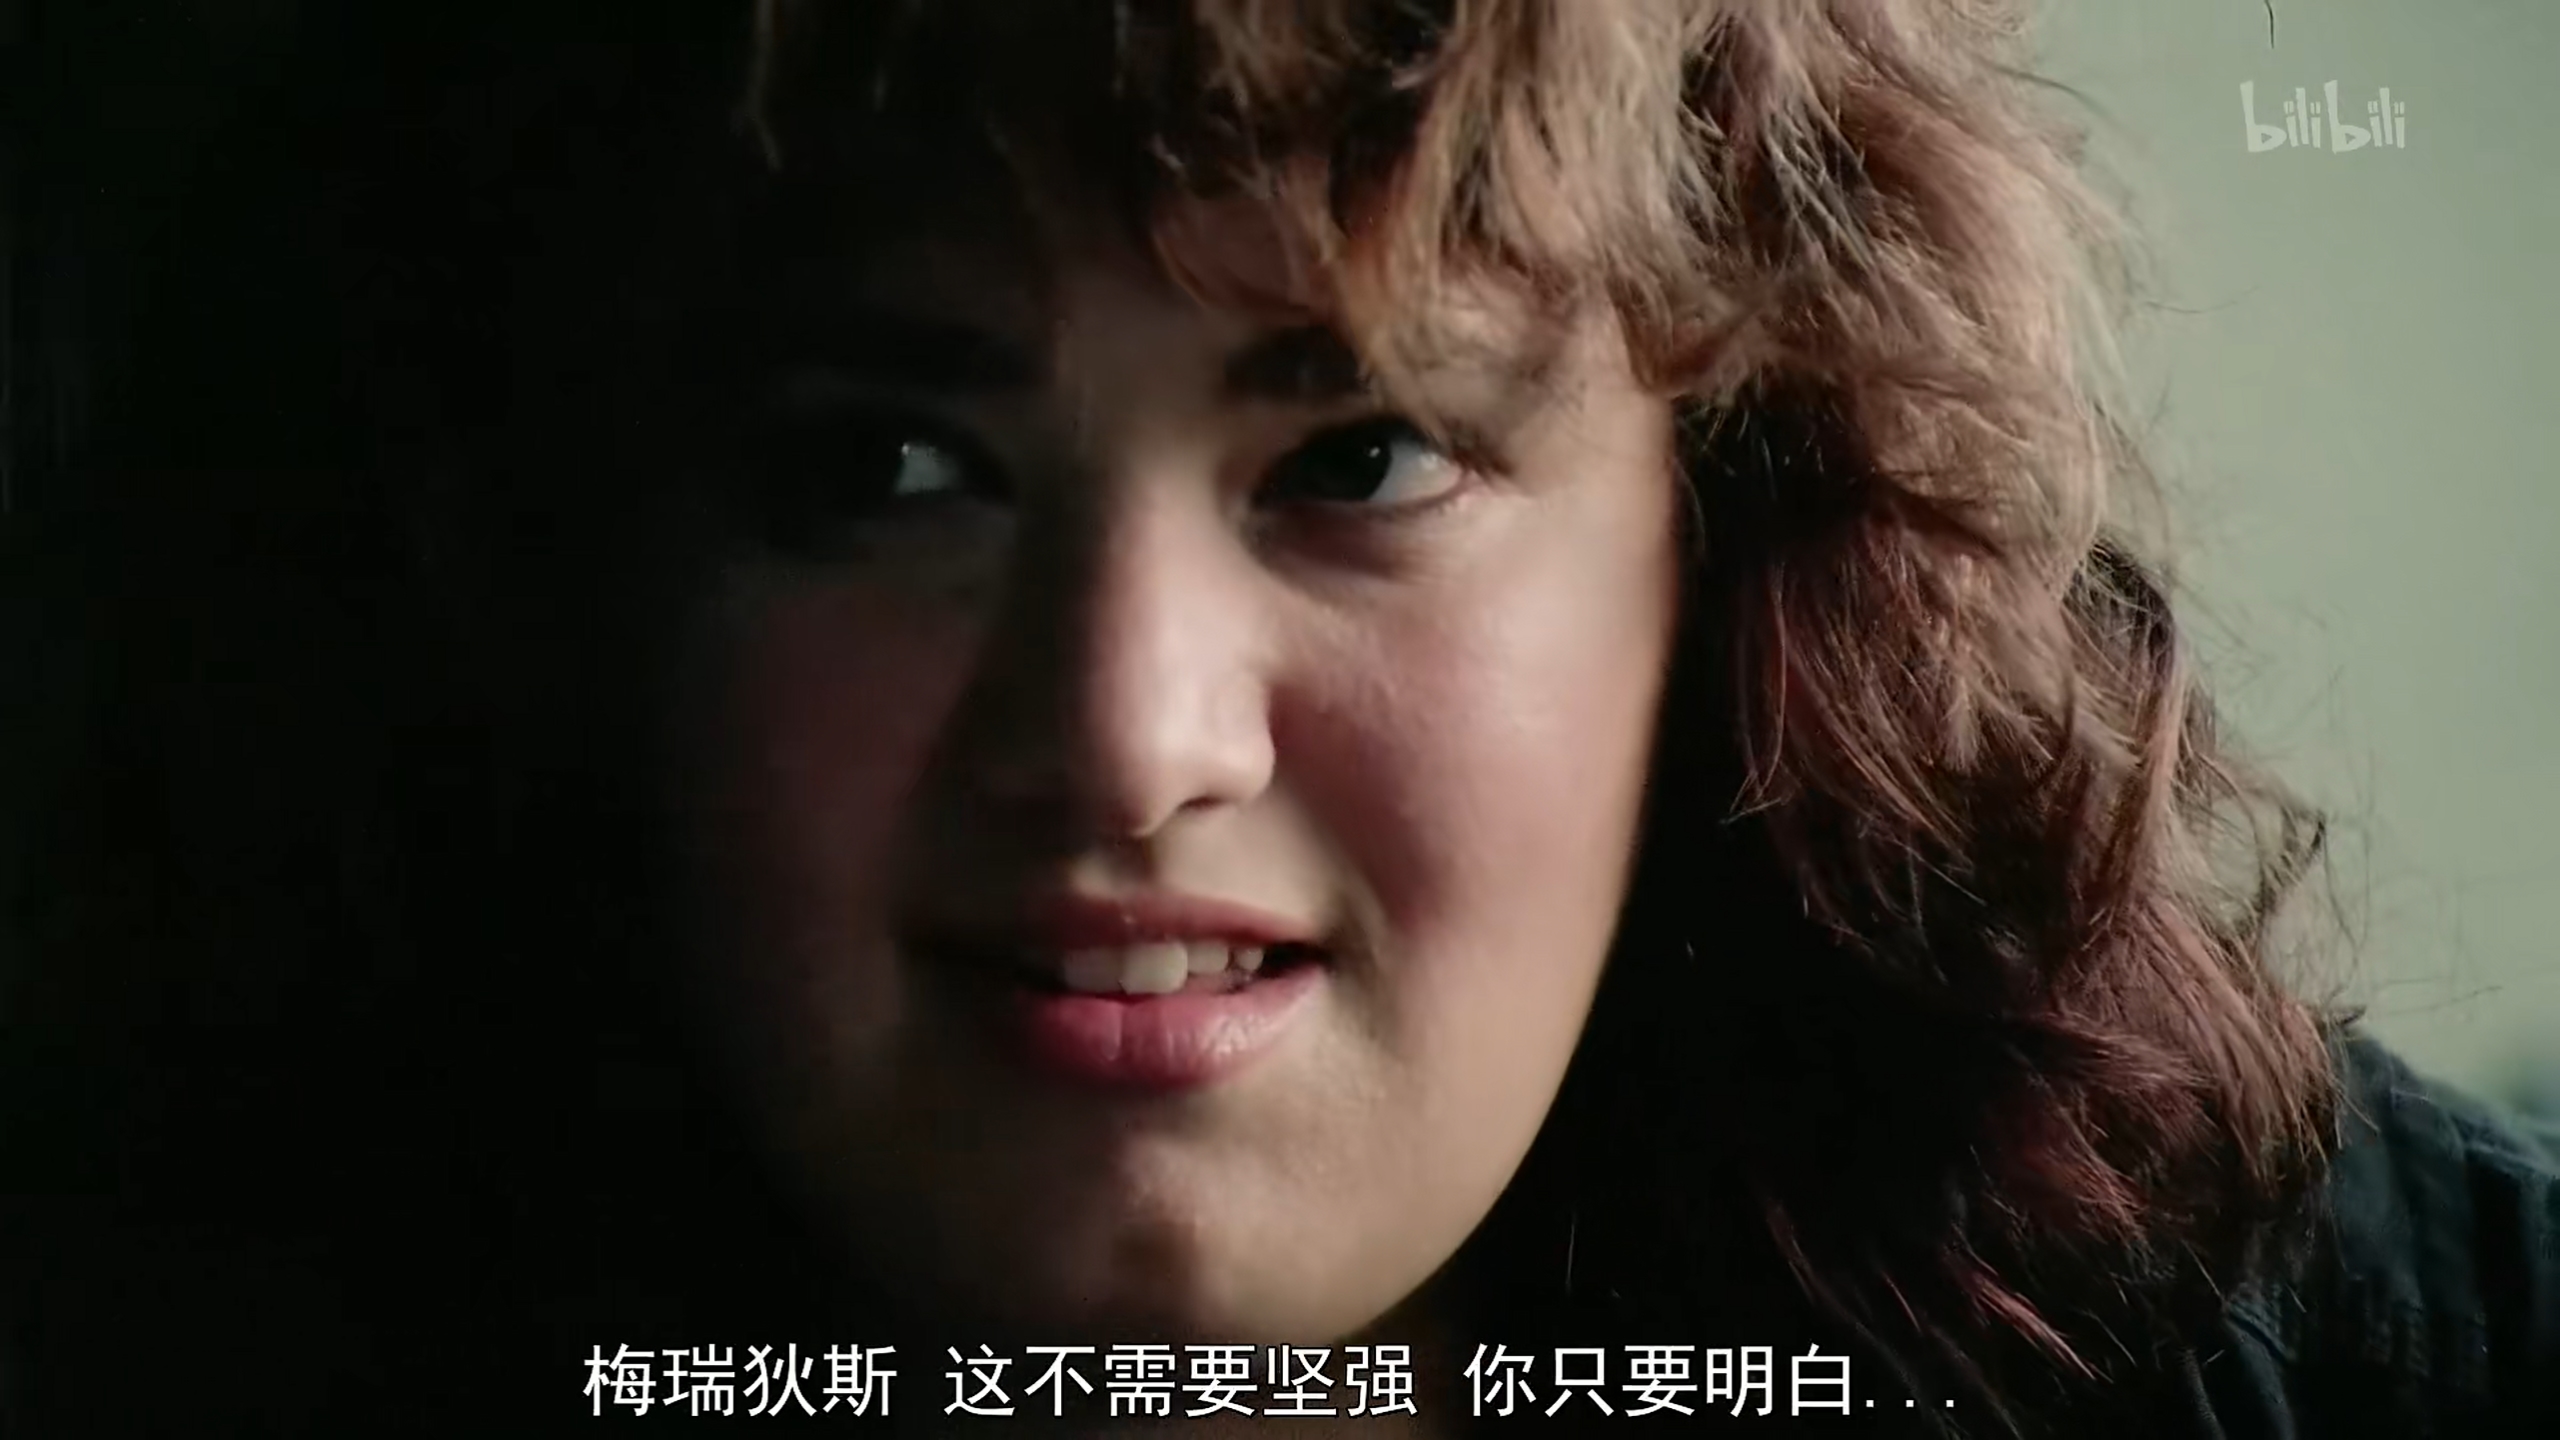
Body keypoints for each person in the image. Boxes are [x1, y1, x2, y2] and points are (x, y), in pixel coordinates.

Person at [3, 1, 2554, 1435]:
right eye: (883, 470)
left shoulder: (2347, 1341)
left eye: (1358, 458)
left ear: (1734, 530)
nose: (1128, 742)